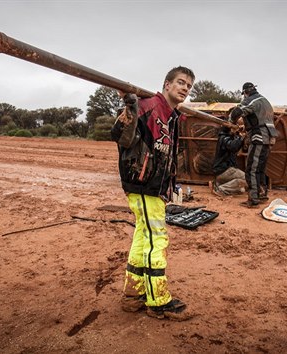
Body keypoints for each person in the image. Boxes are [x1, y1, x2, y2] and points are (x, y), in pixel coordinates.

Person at [110, 66, 194, 321]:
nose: (185, 88)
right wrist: (128, 110)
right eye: (180, 82)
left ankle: (133, 294)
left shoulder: (172, 116)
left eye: (189, 86)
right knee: (158, 240)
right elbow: (119, 136)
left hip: (155, 187)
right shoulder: (147, 106)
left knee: (142, 236)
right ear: (167, 84)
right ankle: (158, 301)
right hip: (143, 185)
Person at [233, 82, 276, 207]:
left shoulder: (252, 100)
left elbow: (237, 111)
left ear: (246, 92)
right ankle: (262, 193)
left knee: (251, 168)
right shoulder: (266, 102)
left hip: (258, 136)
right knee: (260, 168)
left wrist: (231, 121)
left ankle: (253, 198)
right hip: (268, 138)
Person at [209, 110, 247, 197]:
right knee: (248, 179)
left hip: (226, 170)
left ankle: (219, 184)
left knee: (241, 189)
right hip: (223, 170)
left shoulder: (229, 136)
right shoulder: (224, 137)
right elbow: (233, 147)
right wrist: (241, 137)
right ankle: (220, 189)